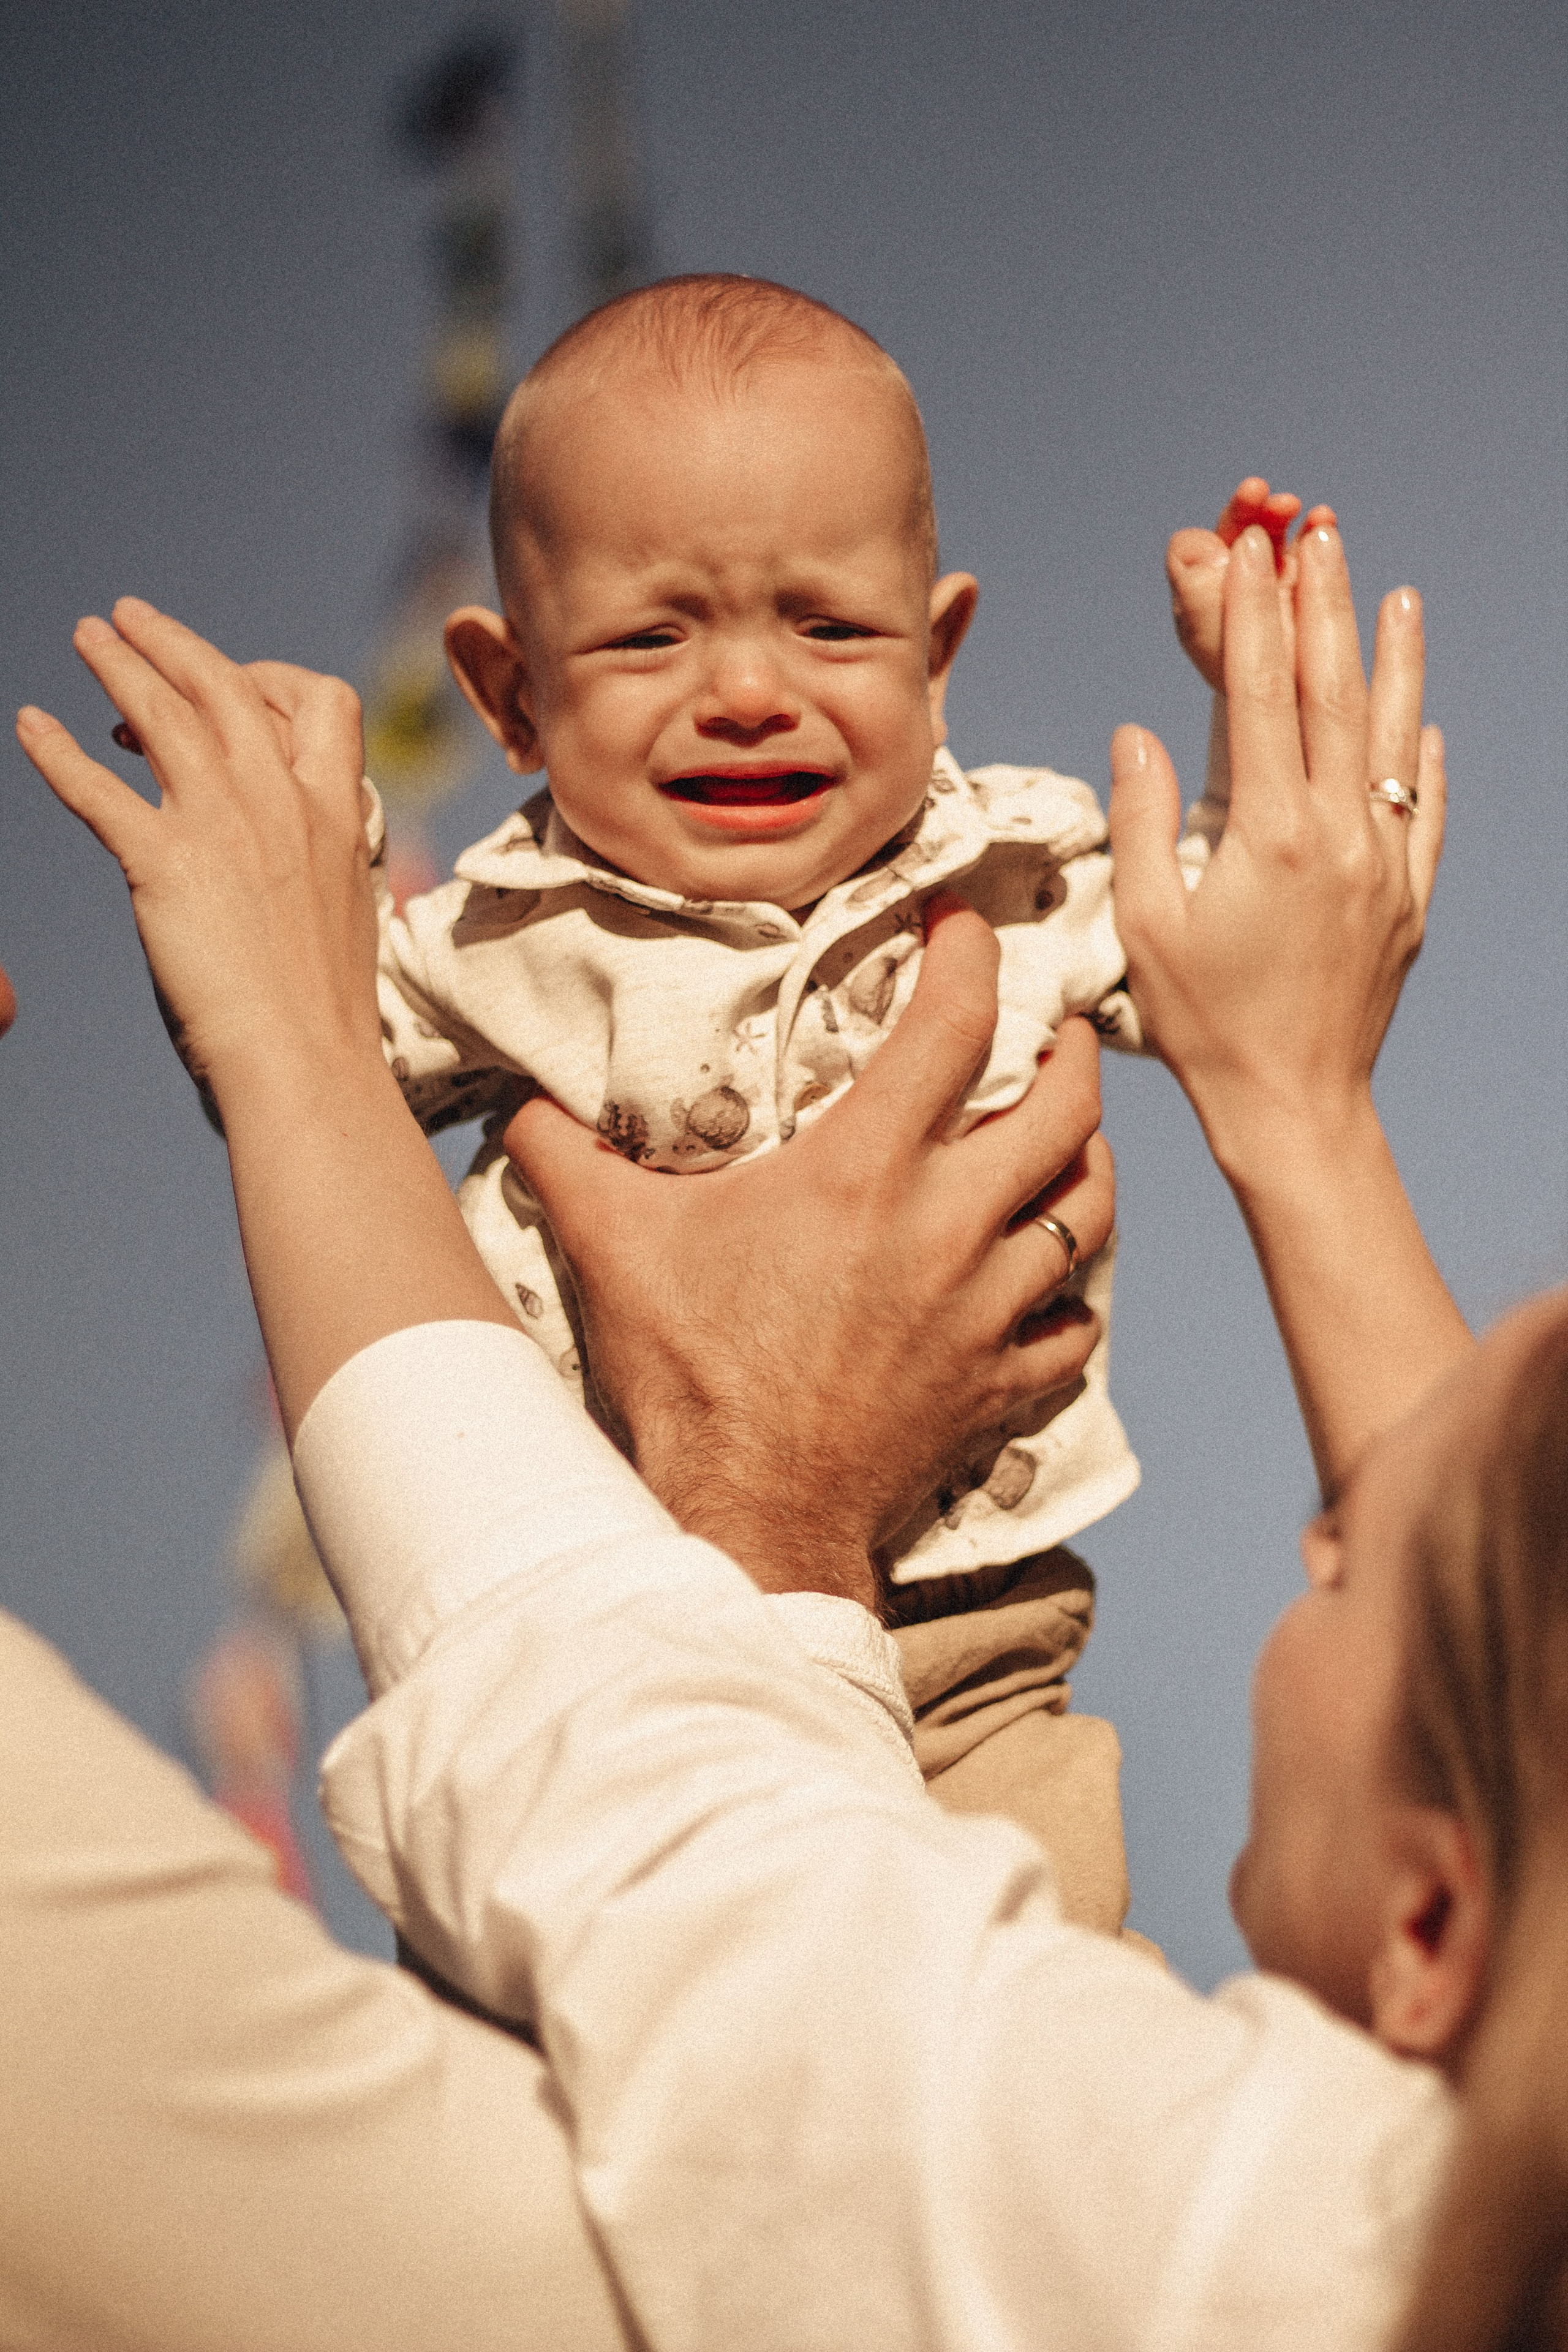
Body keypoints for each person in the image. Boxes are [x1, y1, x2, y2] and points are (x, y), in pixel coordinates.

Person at [11, 505, 1497, 2350]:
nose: (1335, 1520)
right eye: (652, 638)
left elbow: (704, 1889)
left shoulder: (1222, 2256)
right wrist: (1301, 1107)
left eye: (1366, 1559)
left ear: (1441, 1938)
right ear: (514, 689)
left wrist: (291, 1055)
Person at [343, 274, 1343, 1932]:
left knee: (1040, 2016)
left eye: (828, 625)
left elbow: (1228, 947)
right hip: (616, 1637)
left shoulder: (1010, 871)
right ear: (511, 694)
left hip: (976, 1655)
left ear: (939, 654)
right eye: (654, 633)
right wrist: (271, 858)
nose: (748, 688)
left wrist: (1245, 704)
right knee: (580, 2020)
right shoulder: (507, 941)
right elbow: (298, 1055)